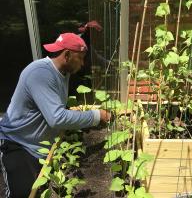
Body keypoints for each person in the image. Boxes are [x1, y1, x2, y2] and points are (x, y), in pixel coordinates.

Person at [0, 32, 111, 198]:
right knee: (22, 194)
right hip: (18, 143)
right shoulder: (40, 74)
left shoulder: (62, 73)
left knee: (39, 192)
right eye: (80, 58)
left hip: (40, 147)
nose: (82, 64)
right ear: (67, 55)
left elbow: (55, 108)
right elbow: (57, 118)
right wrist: (96, 116)